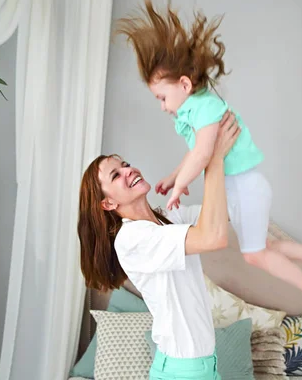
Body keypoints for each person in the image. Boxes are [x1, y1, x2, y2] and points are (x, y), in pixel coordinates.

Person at [116, 0, 302, 316]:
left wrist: (182, 184)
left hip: (247, 187)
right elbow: (195, 152)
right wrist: (173, 176)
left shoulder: (206, 107)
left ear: (184, 84)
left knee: (254, 255)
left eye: (162, 97)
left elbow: (202, 153)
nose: (162, 106)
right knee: (262, 249)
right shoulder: (196, 110)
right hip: (243, 189)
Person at [78, 112, 240, 380]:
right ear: (108, 204)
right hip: (184, 371)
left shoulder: (168, 219)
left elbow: (225, 213)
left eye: (126, 164)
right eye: (116, 175)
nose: (129, 170)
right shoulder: (132, 240)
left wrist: (193, 164)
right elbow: (212, 237)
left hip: (201, 366)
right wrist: (213, 159)